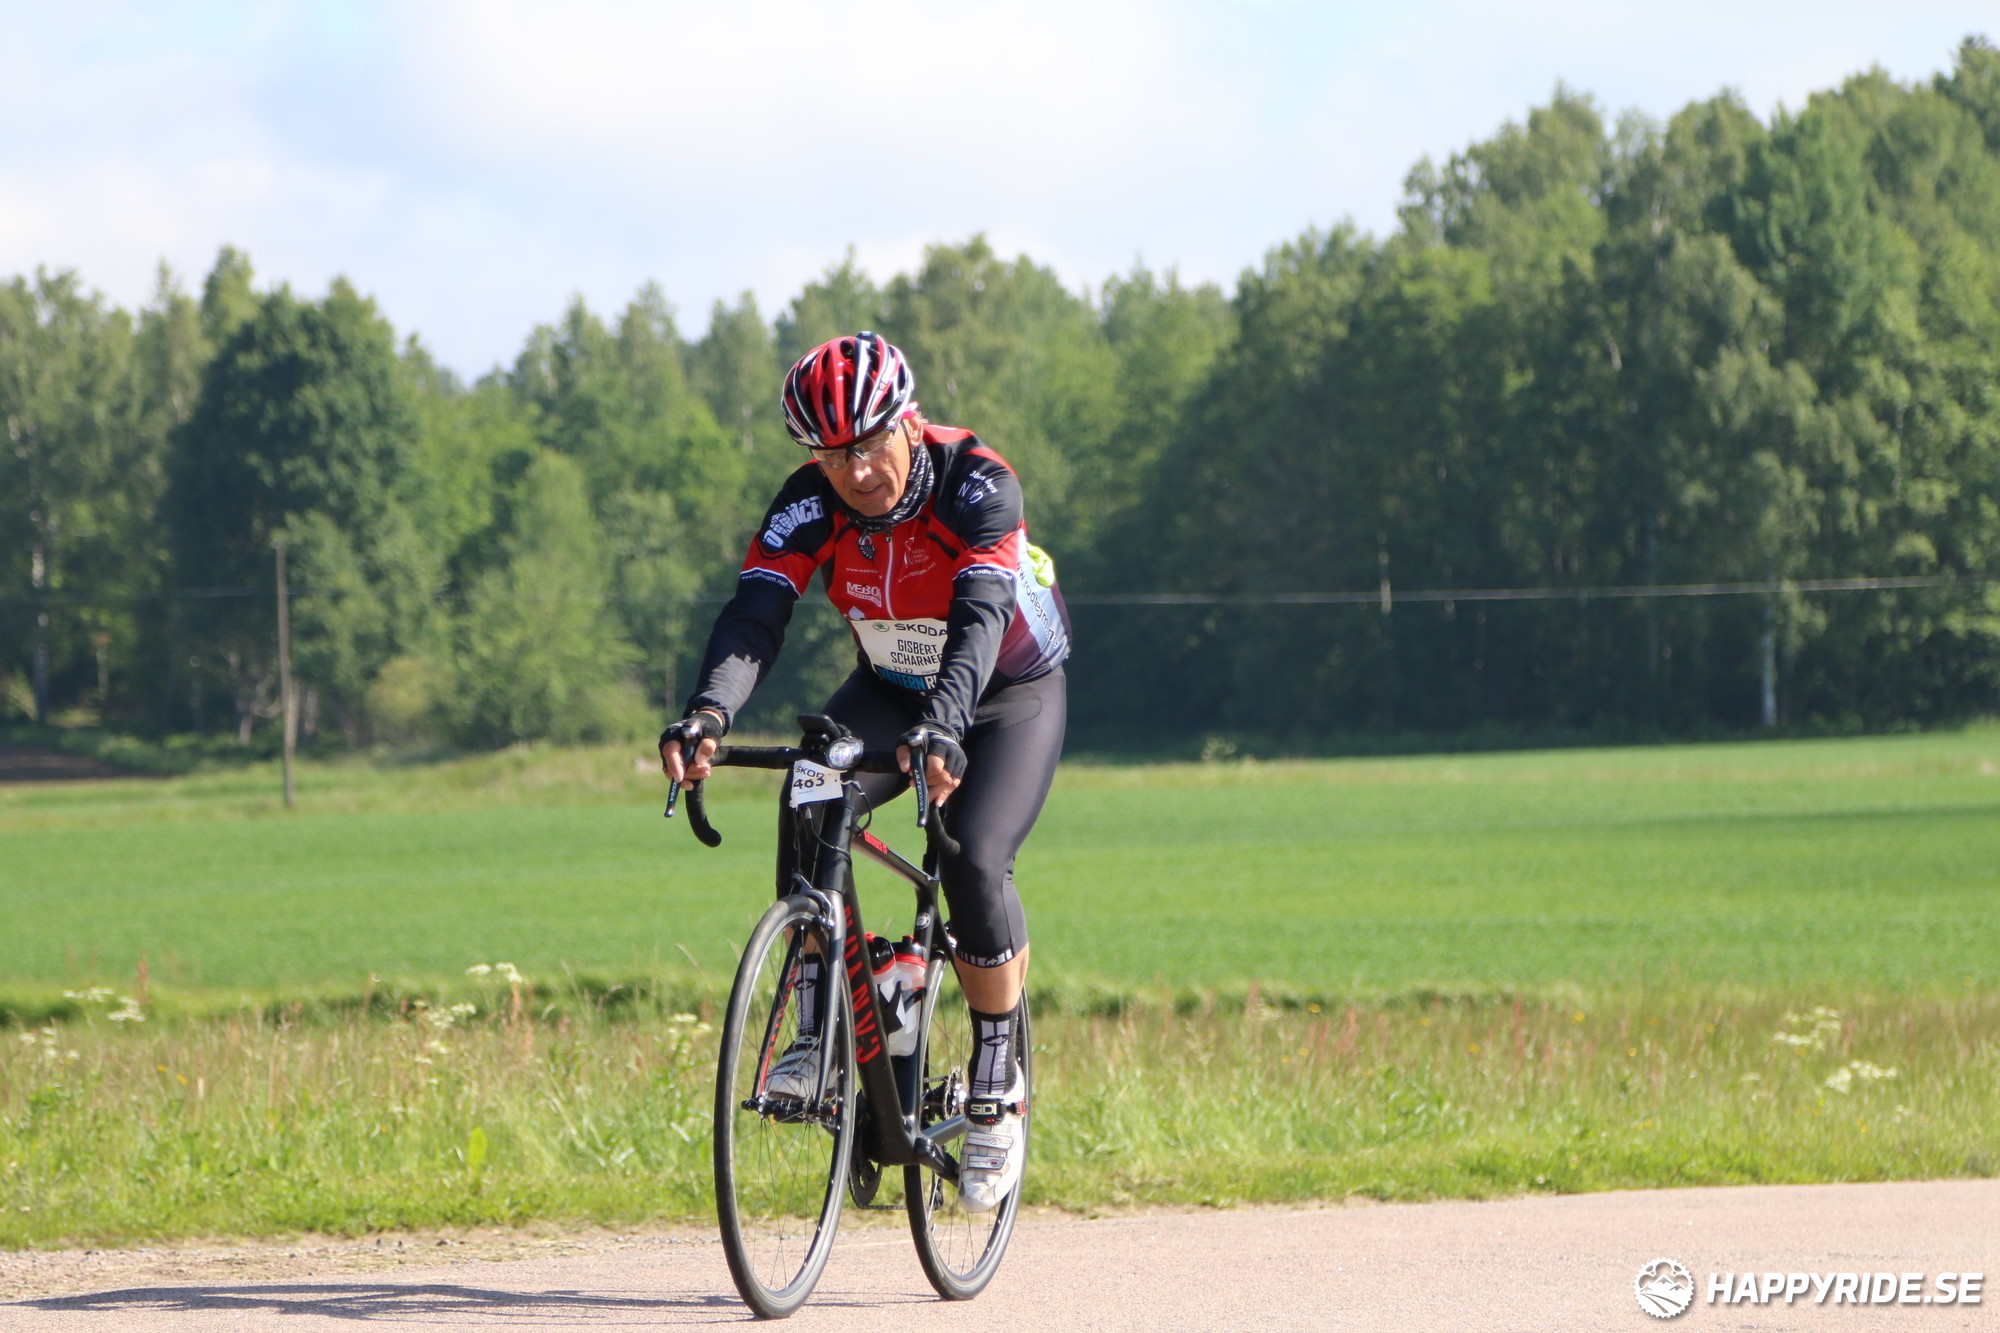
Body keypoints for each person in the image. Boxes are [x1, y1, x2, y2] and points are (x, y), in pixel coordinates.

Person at [661, 331, 1070, 1212]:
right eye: (831, 454)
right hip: (890, 687)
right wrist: (708, 713)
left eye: (871, 444)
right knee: (810, 786)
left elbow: (979, 617)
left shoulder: (977, 483)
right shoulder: (808, 502)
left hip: (1004, 692)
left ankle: (997, 1076)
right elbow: (754, 615)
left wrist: (945, 728)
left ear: (908, 423)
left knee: (973, 856)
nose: (855, 470)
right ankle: (816, 1024)